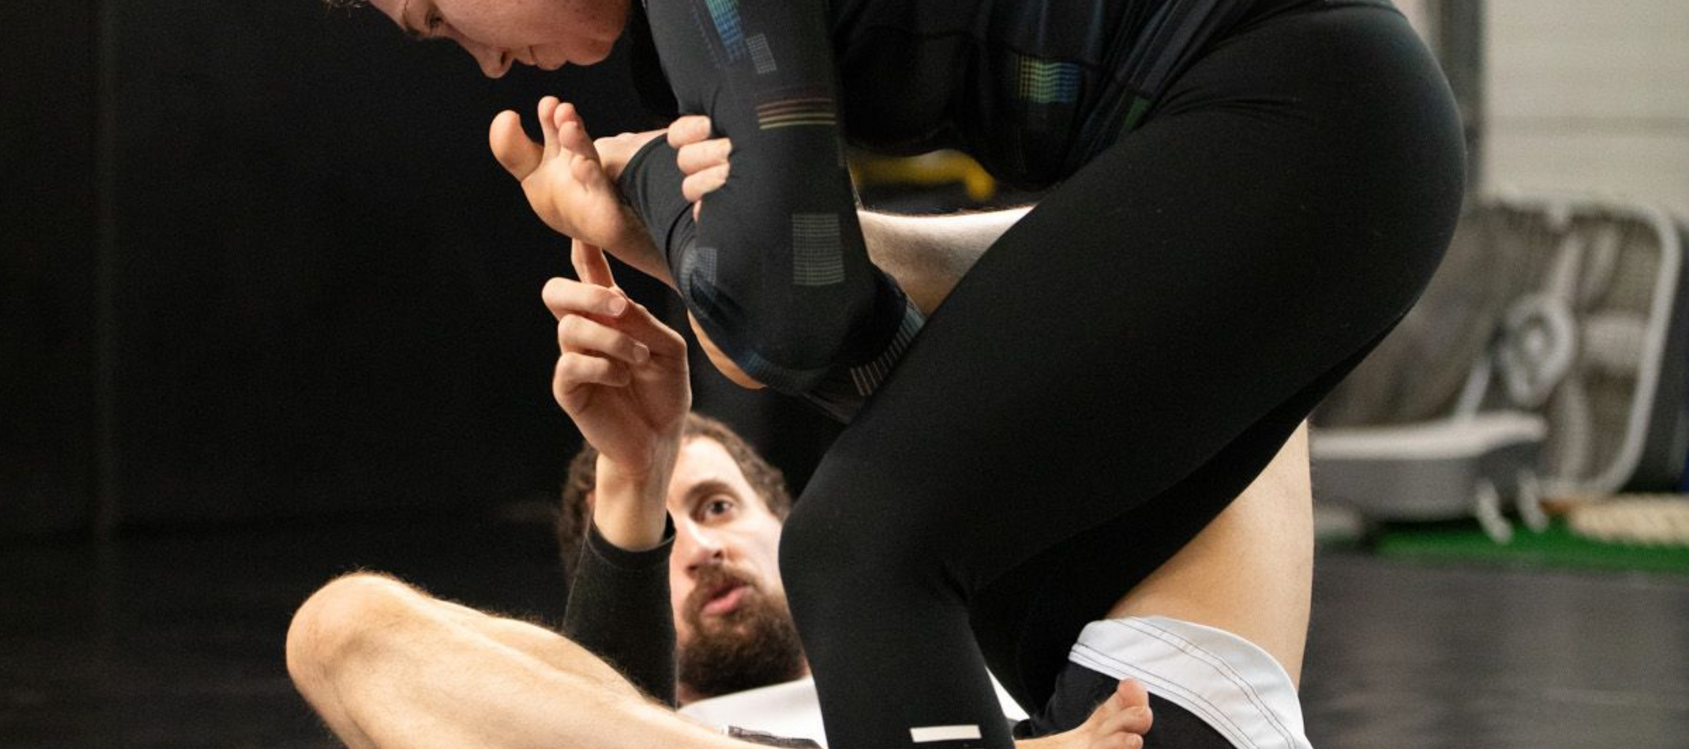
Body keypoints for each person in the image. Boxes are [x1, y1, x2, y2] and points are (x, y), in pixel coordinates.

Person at [284, 0, 1465, 744]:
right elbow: (843, 334)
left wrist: (644, 189)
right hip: (1319, 130)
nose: (490, 66)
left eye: (439, 19)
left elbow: (786, 315)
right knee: (1003, 576)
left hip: (1304, 107)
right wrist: (660, 224)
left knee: (854, 545)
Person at [286, 231, 1318, 749]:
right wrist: (631, 479)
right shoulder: (652, 717)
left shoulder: (1031, 665)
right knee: (335, 624)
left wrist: (740, 243)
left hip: (1068, 717)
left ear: (790, 522)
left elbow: (1192, 274)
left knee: (1221, 324)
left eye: (722, 506)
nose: (699, 547)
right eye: (672, 534)